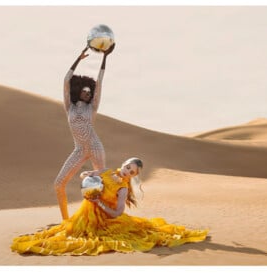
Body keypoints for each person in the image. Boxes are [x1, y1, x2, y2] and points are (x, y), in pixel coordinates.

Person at [12, 157, 209, 256]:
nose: (126, 172)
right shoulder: (106, 171)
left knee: (87, 240)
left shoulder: (123, 189)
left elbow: (117, 212)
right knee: (68, 231)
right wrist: (86, 176)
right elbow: (87, 174)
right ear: (123, 164)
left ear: (132, 176)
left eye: (131, 173)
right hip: (86, 213)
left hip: (105, 219)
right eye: (127, 167)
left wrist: (99, 202)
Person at [54, 44, 115, 220]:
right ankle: (66, 221)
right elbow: (66, 81)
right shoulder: (69, 107)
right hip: (79, 149)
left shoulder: (93, 108)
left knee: (104, 186)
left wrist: (105, 57)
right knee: (59, 184)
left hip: (95, 147)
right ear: (79, 90)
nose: (88, 93)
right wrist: (77, 60)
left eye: (90, 92)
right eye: (85, 91)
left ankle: (105, 219)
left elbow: (100, 81)